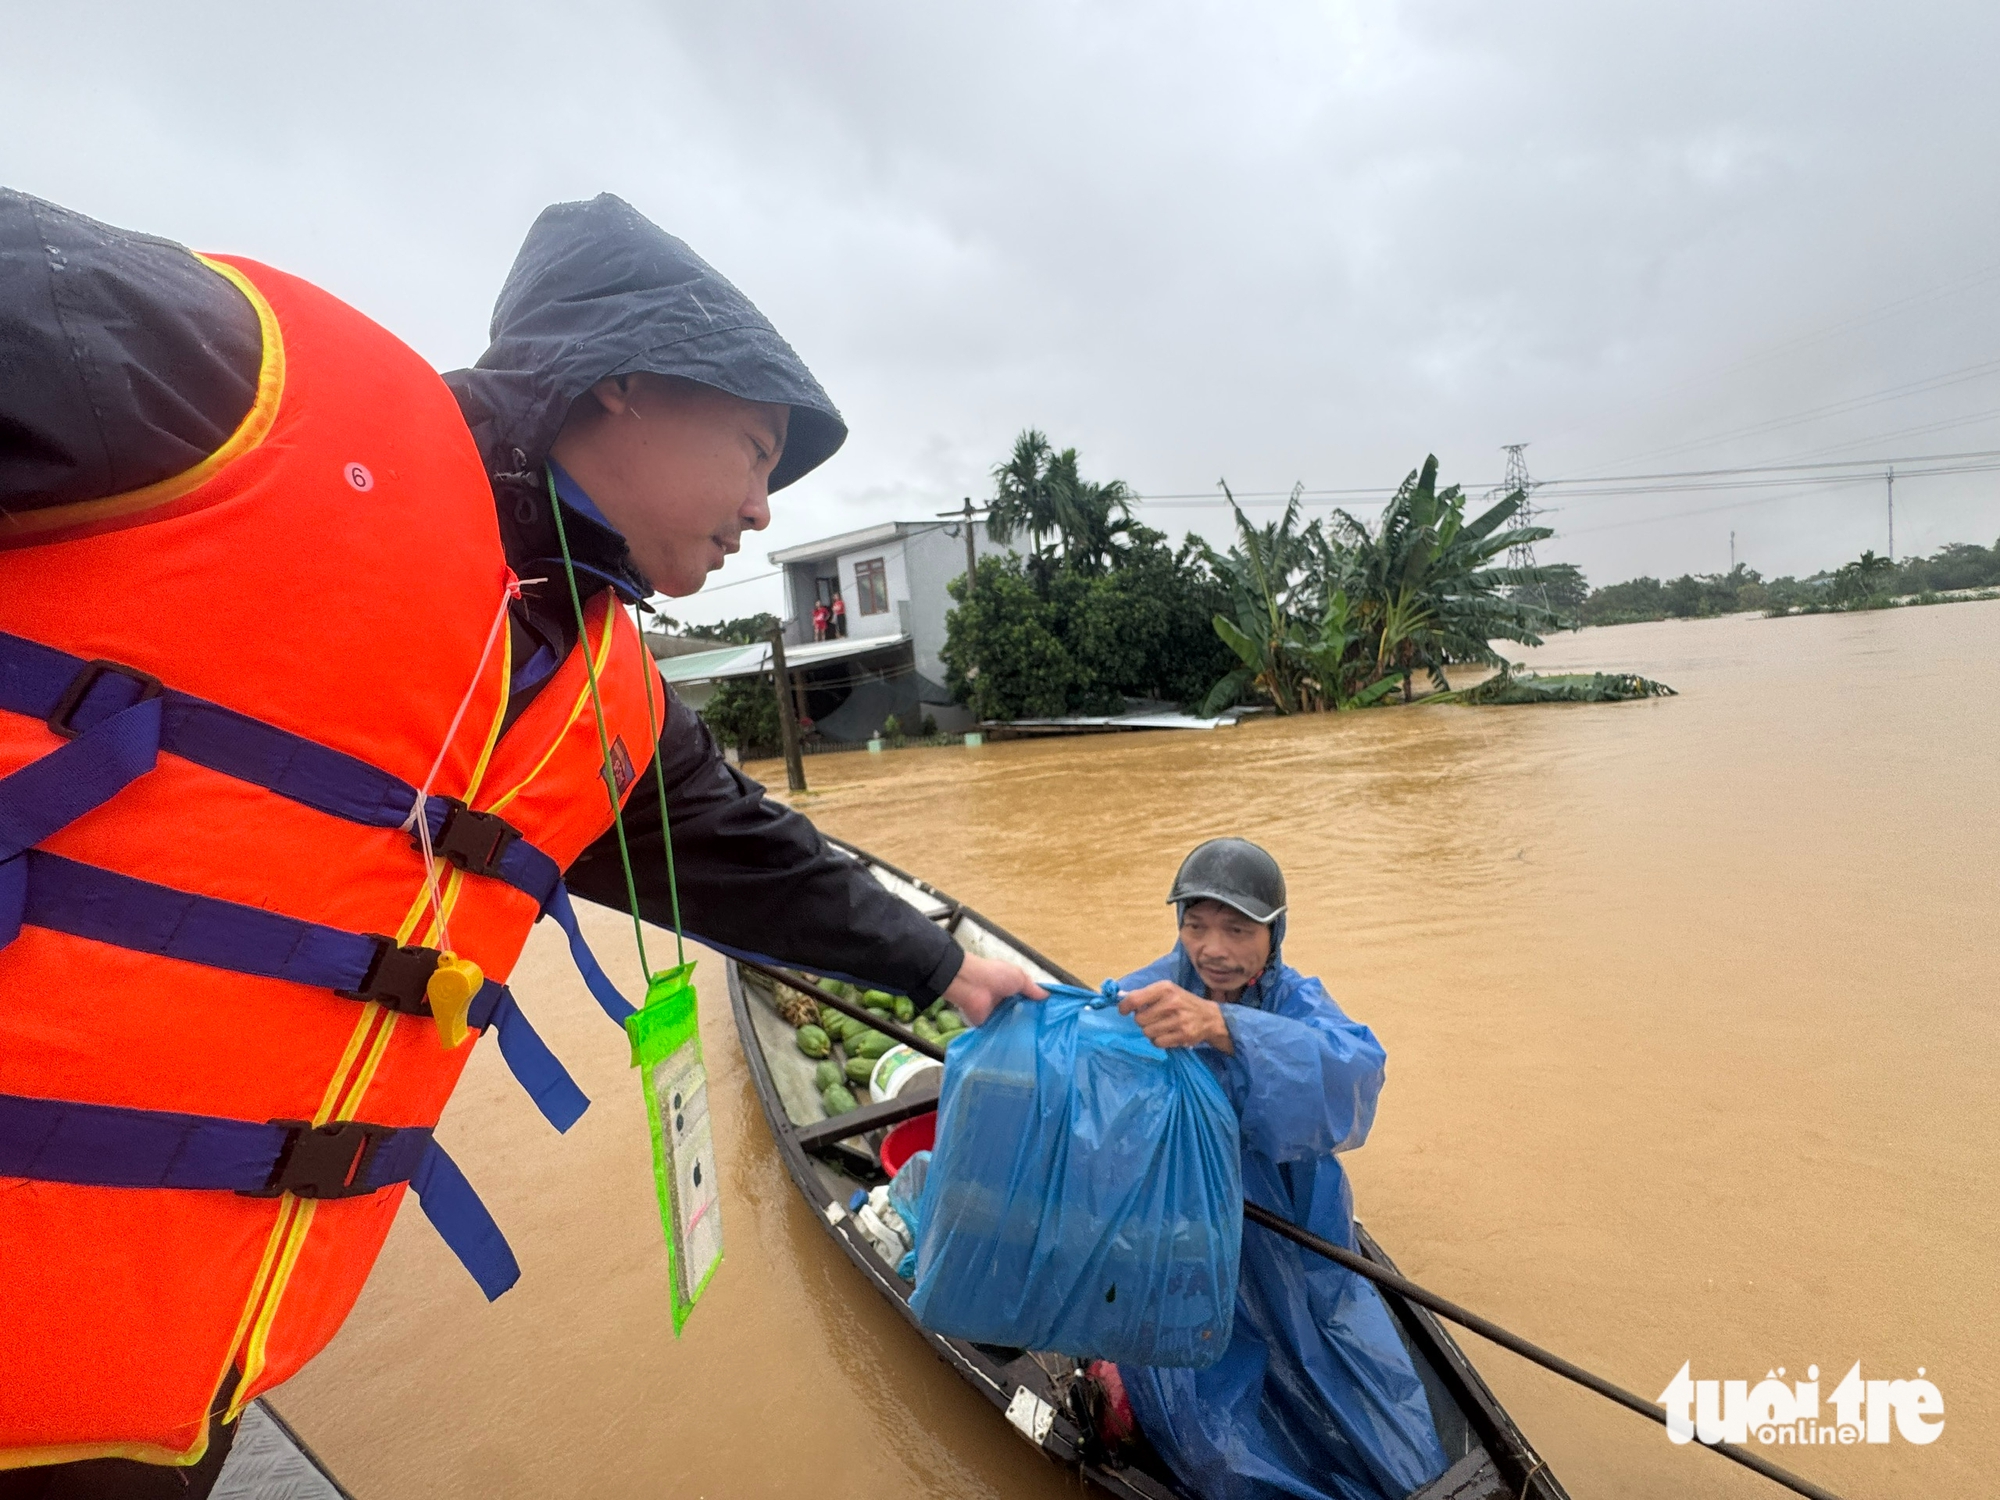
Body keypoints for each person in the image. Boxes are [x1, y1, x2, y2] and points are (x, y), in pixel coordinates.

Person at [0, 188, 1038, 1495]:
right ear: (623, 384)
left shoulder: (604, 690)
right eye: (755, 451)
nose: (763, 511)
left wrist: (950, 971)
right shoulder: (240, 388)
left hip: (165, 1395)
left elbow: (747, 855)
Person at [1110, 838, 1449, 1500]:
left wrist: (1224, 1028)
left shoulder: (1297, 1001)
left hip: (1297, 1235)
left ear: (1274, 932)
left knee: (1395, 1434)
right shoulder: (1146, 994)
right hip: (1189, 1241)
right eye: (1196, 925)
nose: (1214, 948)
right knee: (1216, 1443)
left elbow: (1356, 1072)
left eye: (1238, 929)